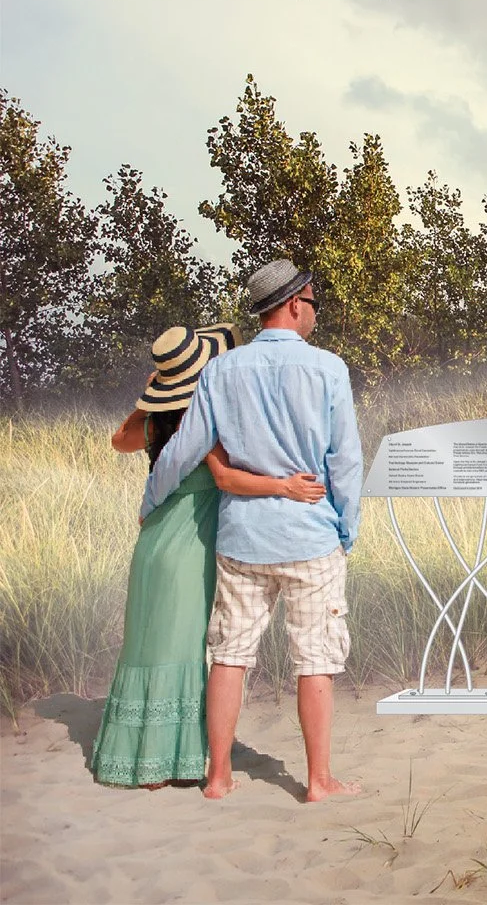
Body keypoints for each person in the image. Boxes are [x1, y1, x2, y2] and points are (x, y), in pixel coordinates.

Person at [140, 260, 363, 802]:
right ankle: (318, 781)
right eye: (312, 303)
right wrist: (345, 529)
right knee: (315, 658)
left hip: (241, 538)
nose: (314, 313)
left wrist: (150, 502)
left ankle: (218, 777)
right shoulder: (328, 368)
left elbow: (185, 447)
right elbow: (345, 461)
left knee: (231, 654)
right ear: (292, 304)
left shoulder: (221, 371)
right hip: (310, 539)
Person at [92, 324, 327, 789]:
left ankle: (140, 756)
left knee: (147, 644)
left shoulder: (158, 424)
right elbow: (225, 479)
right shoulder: (202, 427)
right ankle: (166, 764)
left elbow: (120, 439)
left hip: (155, 538)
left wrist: (151, 397)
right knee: (180, 648)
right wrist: (286, 487)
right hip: (189, 542)